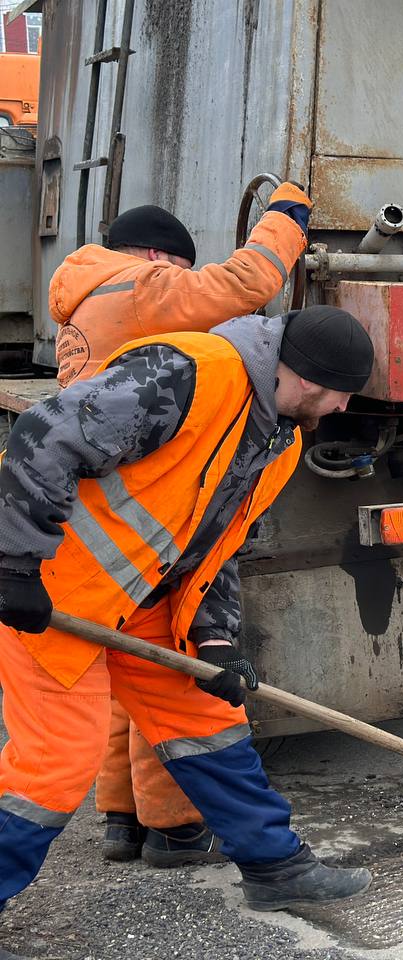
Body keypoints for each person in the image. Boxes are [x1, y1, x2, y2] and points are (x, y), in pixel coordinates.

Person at [0, 306, 376, 946]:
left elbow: (212, 548)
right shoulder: (188, 373)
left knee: (206, 718)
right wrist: (13, 563)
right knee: (57, 762)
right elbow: (45, 430)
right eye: (344, 394)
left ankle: (274, 865)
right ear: (313, 380)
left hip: (138, 600)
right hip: (55, 591)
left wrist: (216, 640)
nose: (343, 409)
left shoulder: (278, 440)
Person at [46, 189, 313, 868]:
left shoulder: (82, 302)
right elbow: (247, 283)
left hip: (96, 517)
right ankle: (176, 827)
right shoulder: (144, 288)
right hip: (151, 513)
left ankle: (121, 821)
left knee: (121, 668)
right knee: (168, 666)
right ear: (161, 258)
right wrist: (289, 212)